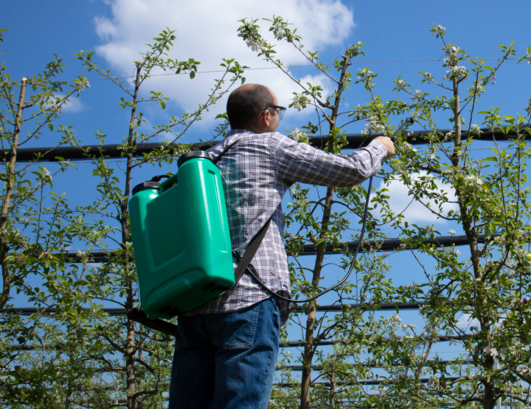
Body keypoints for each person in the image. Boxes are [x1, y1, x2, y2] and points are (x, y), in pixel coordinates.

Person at [168, 84, 394, 408]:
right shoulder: (268, 146)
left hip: (194, 305)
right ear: (266, 115)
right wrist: (379, 147)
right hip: (248, 301)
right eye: (278, 111)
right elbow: (351, 171)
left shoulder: (202, 161)